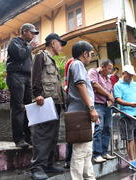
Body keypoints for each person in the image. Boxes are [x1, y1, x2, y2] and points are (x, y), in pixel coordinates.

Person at [30, 33, 67, 180]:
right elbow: (36, 76)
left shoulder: (52, 61)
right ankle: (36, 167)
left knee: (52, 136)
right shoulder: (41, 56)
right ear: (53, 43)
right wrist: (37, 94)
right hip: (45, 101)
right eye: (60, 43)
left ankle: (48, 165)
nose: (61, 47)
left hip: (56, 102)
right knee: (42, 135)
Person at [67, 41, 98, 180]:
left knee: (86, 151)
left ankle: (89, 177)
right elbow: (80, 85)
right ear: (84, 54)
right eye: (90, 54)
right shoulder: (77, 64)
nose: (91, 57)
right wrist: (91, 108)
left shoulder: (78, 66)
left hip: (83, 113)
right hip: (81, 114)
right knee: (80, 151)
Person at [6, 23, 39, 148]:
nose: (33, 36)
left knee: (28, 108)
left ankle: (27, 138)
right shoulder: (15, 42)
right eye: (32, 32)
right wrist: (30, 48)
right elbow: (19, 55)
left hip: (26, 77)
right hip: (16, 76)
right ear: (24, 31)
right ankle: (19, 139)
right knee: (18, 107)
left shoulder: (26, 46)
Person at [113, 64, 136, 170]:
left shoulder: (135, 84)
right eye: (129, 75)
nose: (130, 78)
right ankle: (132, 161)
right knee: (130, 139)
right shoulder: (118, 85)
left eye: (132, 76)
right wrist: (130, 104)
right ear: (123, 74)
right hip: (126, 115)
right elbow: (118, 99)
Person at [88, 60, 116, 163]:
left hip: (107, 106)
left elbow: (110, 90)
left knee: (107, 128)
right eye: (109, 68)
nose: (110, 71)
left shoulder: (107, 78)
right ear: (102, 67)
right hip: (97, 104)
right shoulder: (93, 72)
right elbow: (95, 85)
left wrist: (111, 96)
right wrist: (108, 95)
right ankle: (97, 154)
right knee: (98, 128)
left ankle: (104, 152)